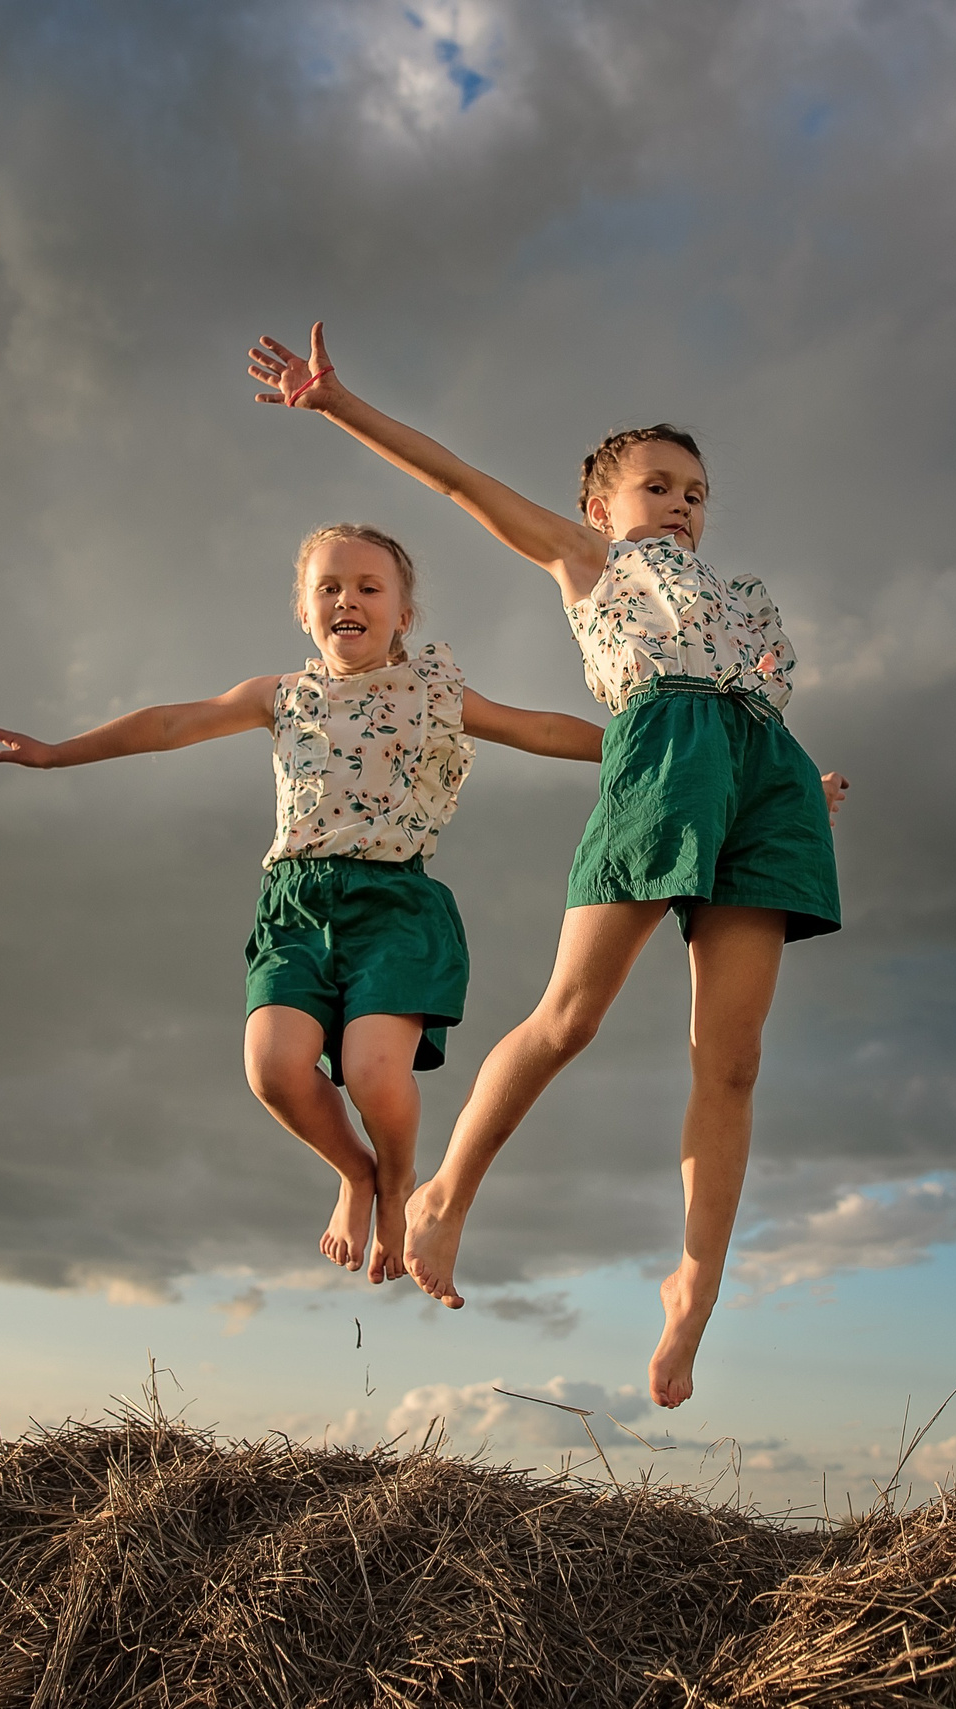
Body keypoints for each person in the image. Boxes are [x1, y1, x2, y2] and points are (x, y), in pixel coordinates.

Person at [245, 325, 848, 1407]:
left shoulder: (745, 599)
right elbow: (457, 480)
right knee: (572, 1015)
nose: (680, 504)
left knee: (735, 1055)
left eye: (696, 492)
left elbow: (757, 712)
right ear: (600, 508)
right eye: (656, 485)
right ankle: (442, 1196)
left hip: (765, 780)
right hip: (661, 753)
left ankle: (695, 1285)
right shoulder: (597, 567)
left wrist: (801, 788)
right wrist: (340, 403)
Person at [0, 523, 605, 1284]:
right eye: (329, 588)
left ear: (404, 613)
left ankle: (399, 1182)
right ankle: (355, 1171)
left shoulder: (435, 693)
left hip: (395, 905)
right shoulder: (280, 696)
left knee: (376, 1075)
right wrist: (56, 751)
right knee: (272, 1068)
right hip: (295, 906)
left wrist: (631, 740)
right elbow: (171, 723)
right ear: (305, 612)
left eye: (370, 587)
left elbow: (534, 727)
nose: (348, 599)